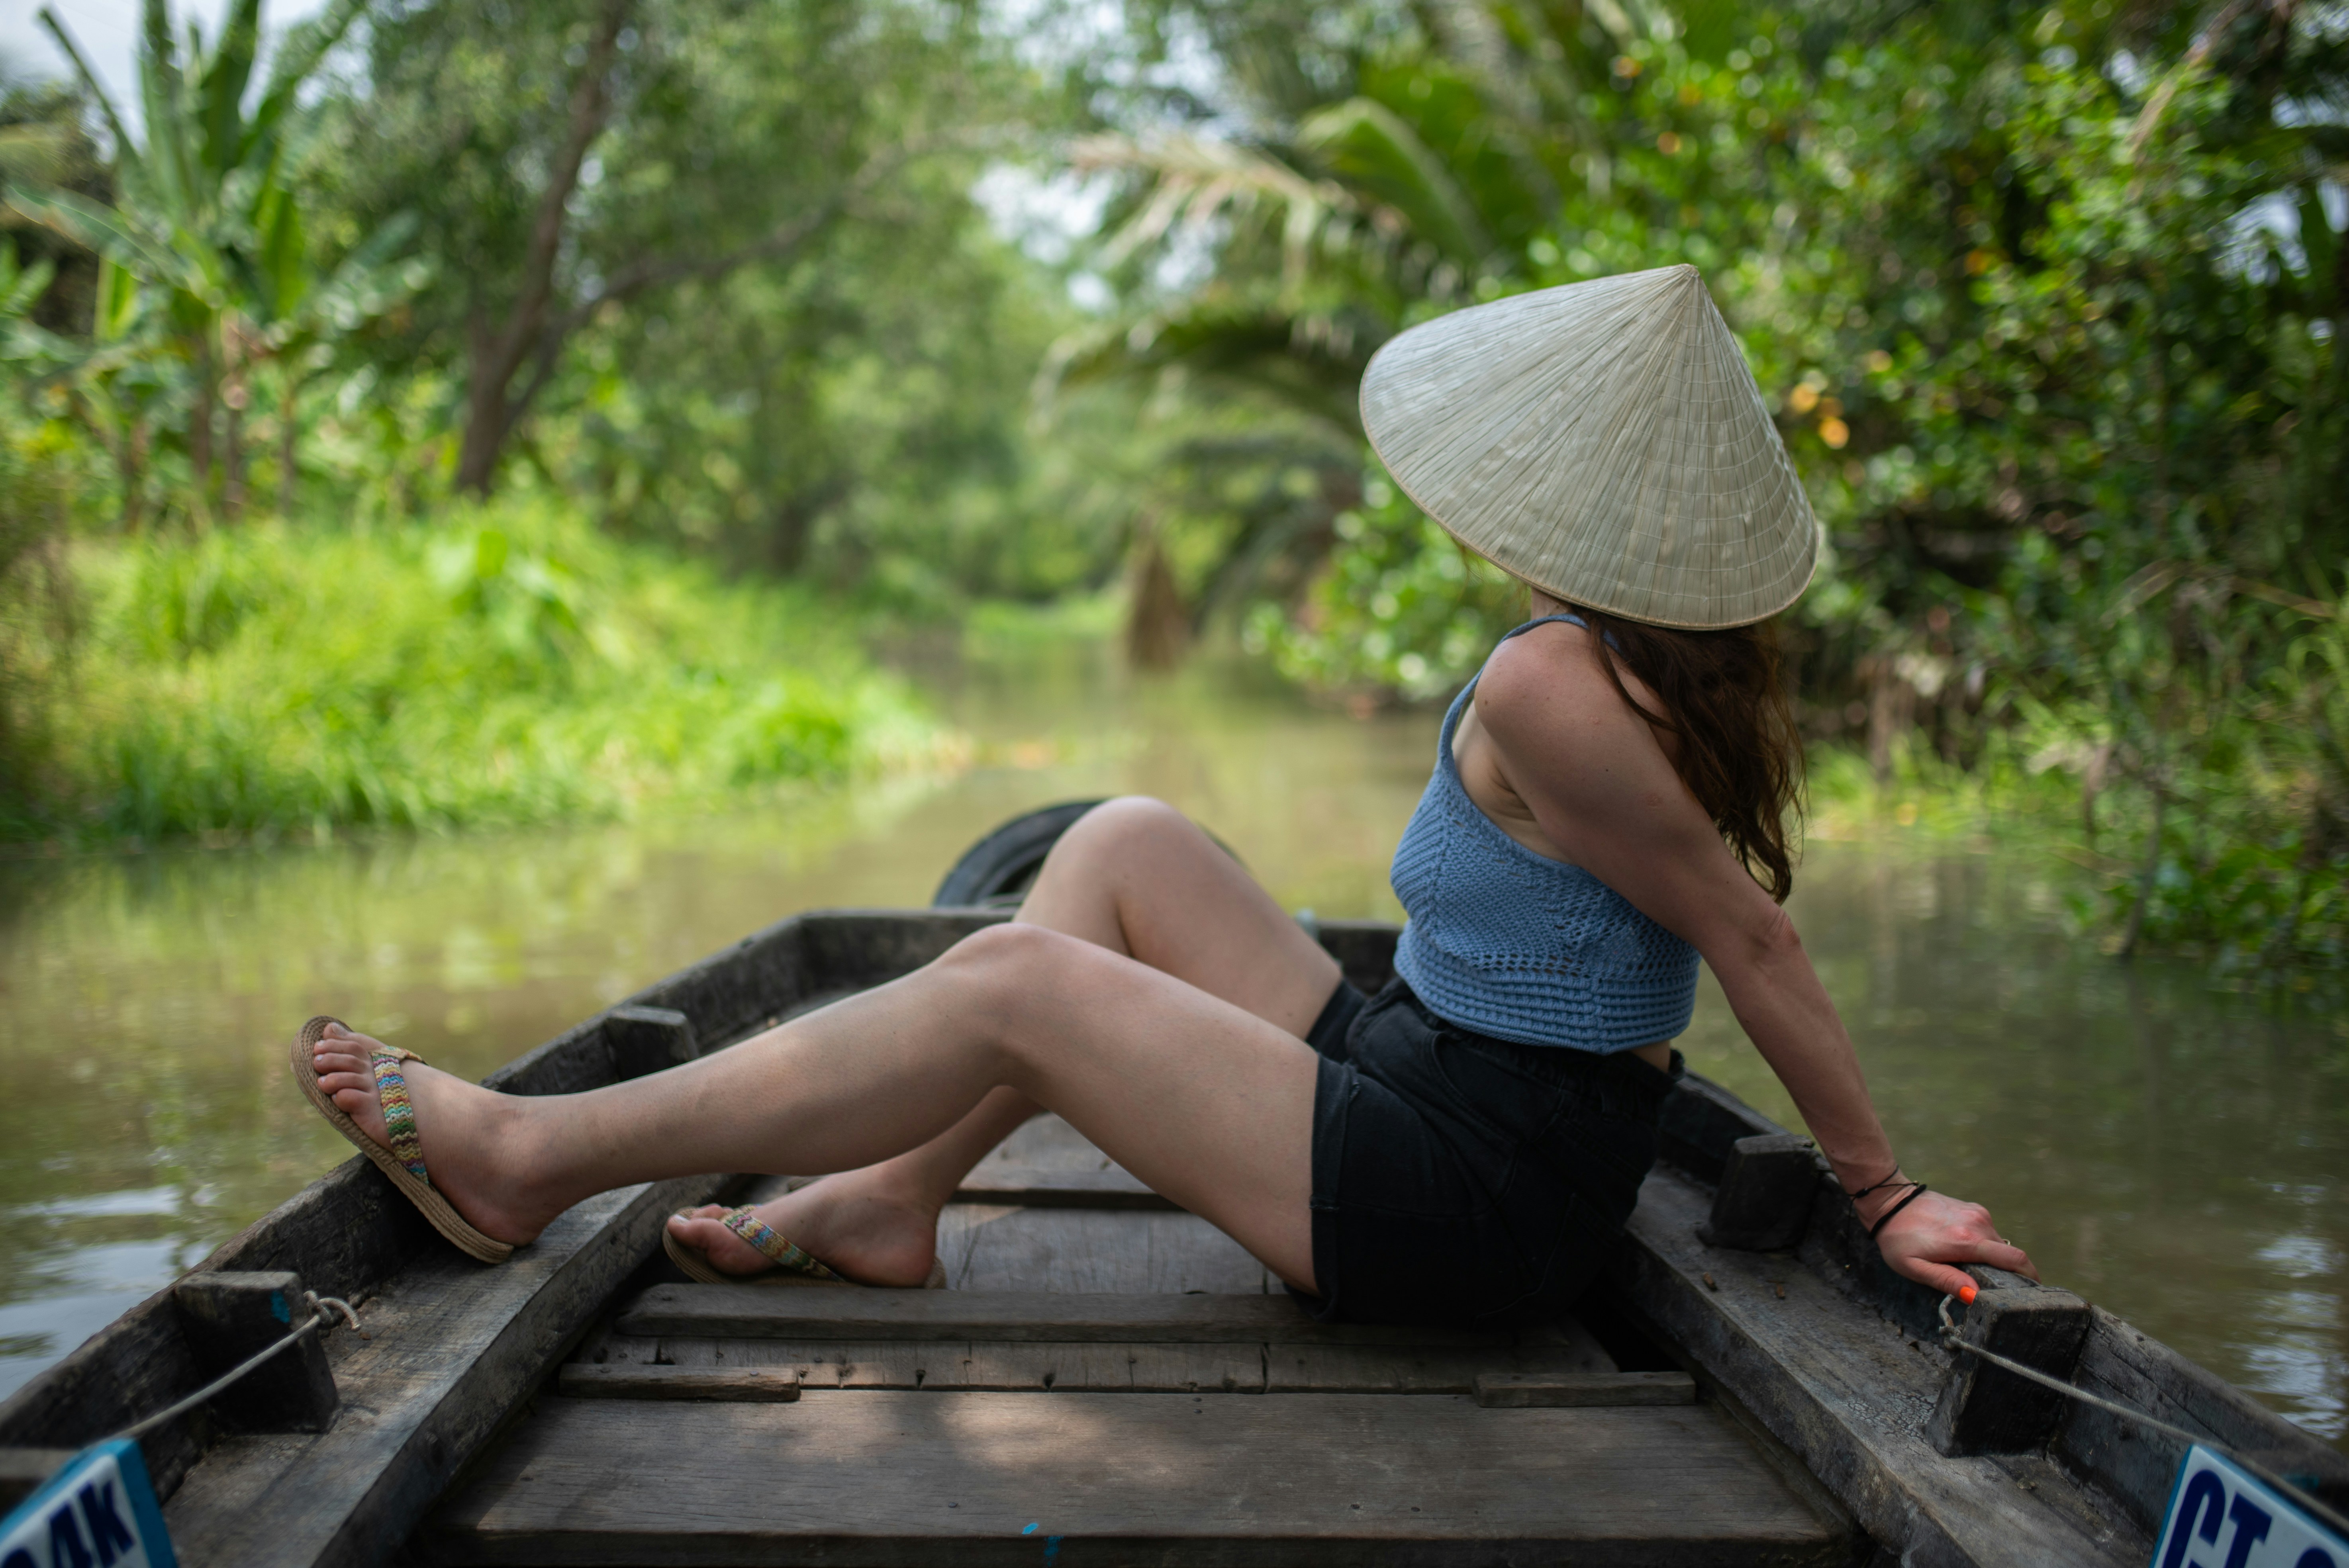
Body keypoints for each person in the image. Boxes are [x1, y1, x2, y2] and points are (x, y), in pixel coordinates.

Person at [296, 264, 2036, 1323]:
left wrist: (1877, 1194)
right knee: (1120, 843)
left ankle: (526, 1155)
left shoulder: (1552, 680)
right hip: (1430, 1075)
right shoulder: (1651, 661)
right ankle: (897, 1198)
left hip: (1471, 1195)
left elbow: (1750, 940)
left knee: (1010, 979)